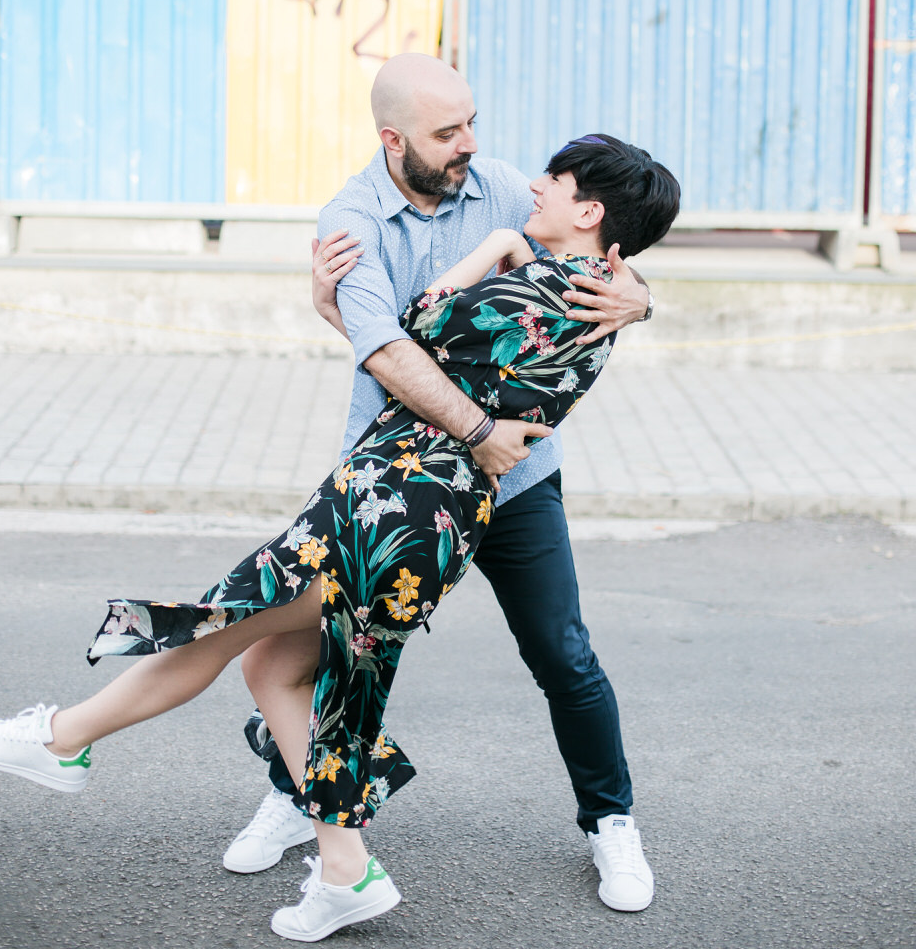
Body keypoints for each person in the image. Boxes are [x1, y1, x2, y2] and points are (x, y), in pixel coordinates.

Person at [0, 120, 679, 944]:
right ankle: (340, 863)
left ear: (588, 213)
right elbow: (414, 341)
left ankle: (67, 739)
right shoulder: (378, 218)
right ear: (396, 133)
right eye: (453, 128)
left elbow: (416, 328)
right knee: (272, 663)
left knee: (229, 626)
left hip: (405, 502)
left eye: (555, 183)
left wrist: (500, 252)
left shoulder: (546, 268)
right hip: (406, 498)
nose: (526, 180)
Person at [226, 56, 660, 915]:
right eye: (446, 132)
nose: (471, 145)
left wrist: (638, 294)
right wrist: (347, 314)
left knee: (561, 653)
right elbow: (390, 350)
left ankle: (610, 821)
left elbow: (599, 245)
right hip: (404, 476)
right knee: (345, 651)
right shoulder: (352, 221)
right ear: (393, 141)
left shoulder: (500, 189)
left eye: (471, 123)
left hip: (518, 476)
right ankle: (301, 796)